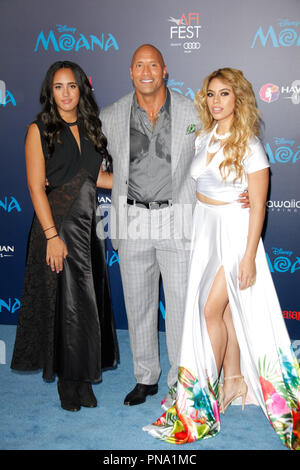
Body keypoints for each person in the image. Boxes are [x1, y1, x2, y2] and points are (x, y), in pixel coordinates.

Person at [143, 68, 300, 450]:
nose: (216, 101)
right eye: (211, 94)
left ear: (238, 99)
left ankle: (203, 400)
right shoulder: (204, 137)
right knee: (226, 313)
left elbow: (258, 206)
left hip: (233, 232)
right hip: (205, 228)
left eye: (224, 94)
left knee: (208, 310)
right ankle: (234, 382)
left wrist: (248, 256)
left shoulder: (250, 146)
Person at [100, 45, 249, 407]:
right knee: (138, 306)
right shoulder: (111, 115)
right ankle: (145, 377)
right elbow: (87, 163)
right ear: (131, 71)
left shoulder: (192, 110)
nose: (146, 71)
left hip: (178, 218)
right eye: (139, 65)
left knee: (183, 308)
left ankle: (179, 380)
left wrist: (241, 188)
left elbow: (226, 142)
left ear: (164, 70)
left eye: (153, 64)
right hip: (131, 217)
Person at [11, 61, 119, 412]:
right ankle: (67, 384)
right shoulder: (39, 129)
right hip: (55, 226)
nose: (66, 93)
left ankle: (84, 378)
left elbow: (96, 178)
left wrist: (142, 185)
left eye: (72, 85)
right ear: (50, 91)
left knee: (85, 307)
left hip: (88, 228)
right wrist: (52, 235)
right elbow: (34, 186)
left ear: (81, 89)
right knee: (63, 307)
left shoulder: (90, 127)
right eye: (59, 87)